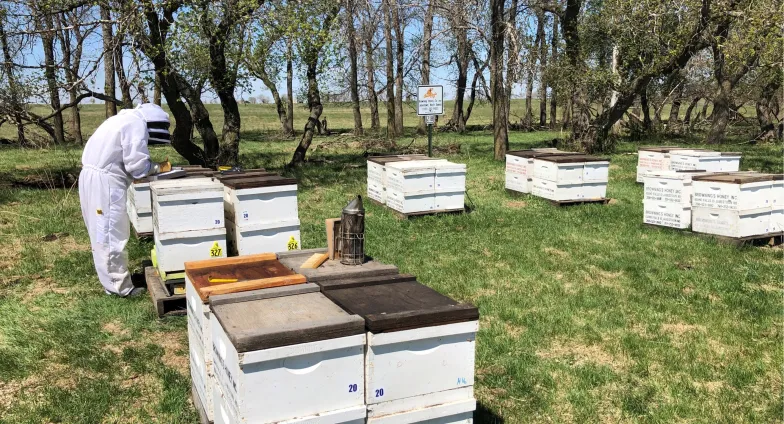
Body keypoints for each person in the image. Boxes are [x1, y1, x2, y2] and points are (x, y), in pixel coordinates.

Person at [79, 104, 172, 297]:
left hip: (91, 178)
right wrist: (157, 167)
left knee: (101, 233)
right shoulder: (135, 124)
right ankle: (120, 288)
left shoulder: (121, 119)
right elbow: (137, 167)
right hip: (106, 184)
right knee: (111, 234)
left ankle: (111, 282)